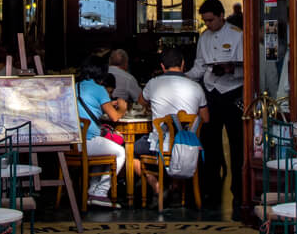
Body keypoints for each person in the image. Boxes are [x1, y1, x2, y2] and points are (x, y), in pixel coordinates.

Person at [186, 0, 244, 211]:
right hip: (211, 93)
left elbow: (248, 68)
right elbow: (199, 67)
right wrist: (183, 76)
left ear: (221, 16)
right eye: (205, 21)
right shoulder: (204, 38)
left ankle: (239, 191)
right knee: (209, 141)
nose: (208, 24)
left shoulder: (238, 36)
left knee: (237, 142)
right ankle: (210, 188)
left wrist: (231, 69)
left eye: (211, 20)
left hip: (232, 92)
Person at [136, 47, 209, 199]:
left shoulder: (153, 83)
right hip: (188, 147)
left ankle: (155, 184)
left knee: (130, 150)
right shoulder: (196, 87)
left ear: (162, 67)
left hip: (159, 148)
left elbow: (141, 101)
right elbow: (206, 118)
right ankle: (175, 185)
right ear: (183, 65)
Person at [76, 55, 127, 209]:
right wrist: (123, 107)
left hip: (73, 143)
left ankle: (92, 192)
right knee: (120, 152)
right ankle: (101, 192)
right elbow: (114, 117)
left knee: (104, 152)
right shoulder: (99, 89)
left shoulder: (76, 85)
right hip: (88, 142)